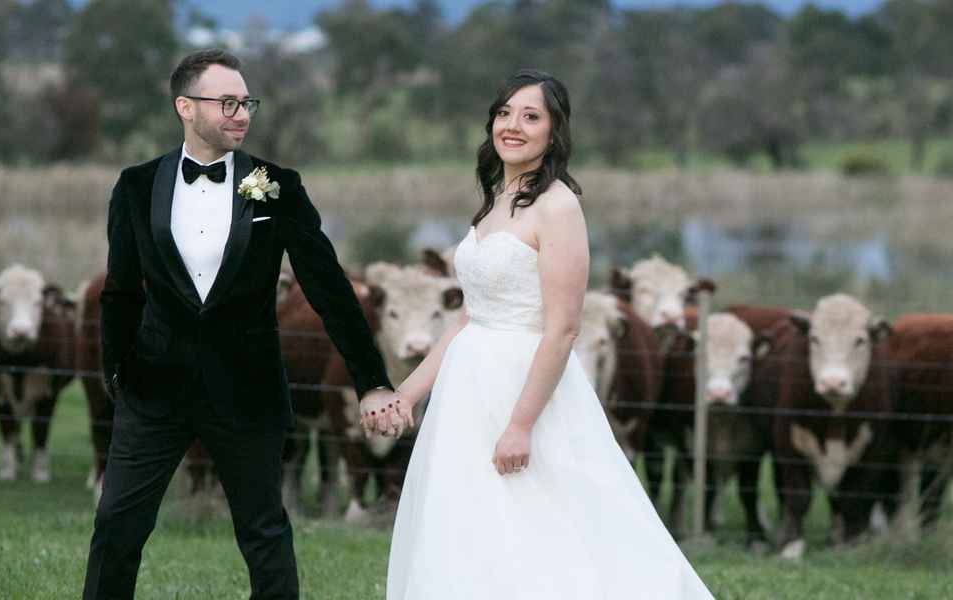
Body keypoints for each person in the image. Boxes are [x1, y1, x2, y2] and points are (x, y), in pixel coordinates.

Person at [367, 69, 716, 599]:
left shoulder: (559, 207)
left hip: (525, 387)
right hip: (467, 388)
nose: (513, 126)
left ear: (554, 132)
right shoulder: (494, 202)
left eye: (531, 117)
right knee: (469, 526)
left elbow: (563, 329)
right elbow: (467, 318)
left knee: (545, 525)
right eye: (505, 113)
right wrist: (407, 394)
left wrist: (521, 425)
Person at [83, 48, 398, 600]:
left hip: (247, 391)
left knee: (264, 533)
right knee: (116, 528)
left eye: (245, 102)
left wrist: (371, 380)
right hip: (153, 391)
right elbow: (120, 291)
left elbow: (329, 290)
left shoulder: (276, 185)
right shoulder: (134, 186)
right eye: (226, 102)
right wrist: (115, 374)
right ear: (185, 106)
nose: (241, 113)